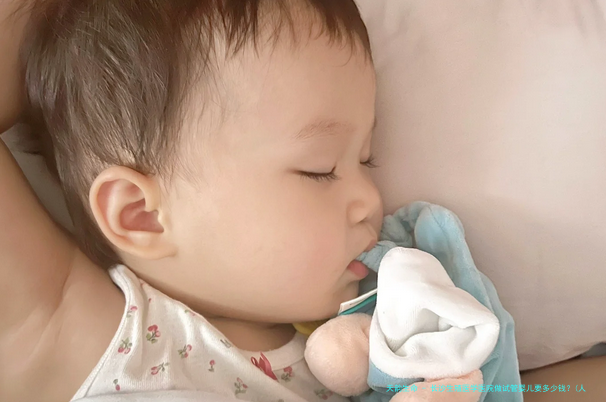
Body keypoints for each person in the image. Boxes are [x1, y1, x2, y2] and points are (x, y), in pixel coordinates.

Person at [0, 1, 603, 402]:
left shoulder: (369, 347)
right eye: (319, 171)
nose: (370, 198)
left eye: (366, 159)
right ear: (140, 213)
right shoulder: (73, 329)